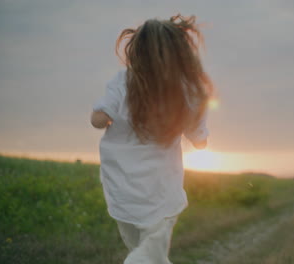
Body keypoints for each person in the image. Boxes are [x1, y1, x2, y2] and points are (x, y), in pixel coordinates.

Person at [90, 14, 212, 264]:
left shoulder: (123, 81)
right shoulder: (185, 91)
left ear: (137, 49)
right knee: (149, 254)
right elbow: (199, 140)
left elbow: (97, 119)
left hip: (122, 191)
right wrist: (198, 136)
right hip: (162, 193)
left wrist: (105, 117)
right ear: (180, 53)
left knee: (142, 250)